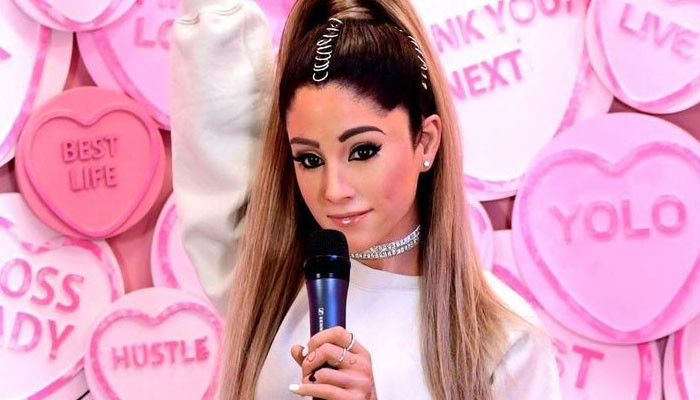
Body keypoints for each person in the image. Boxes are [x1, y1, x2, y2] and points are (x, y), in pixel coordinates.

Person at [170, 0, 561, 399]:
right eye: (310, 159)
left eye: (362, 151)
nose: (334, 190)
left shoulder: (503, 338)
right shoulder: (268, 285)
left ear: (425, 141)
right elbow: (217, 110)